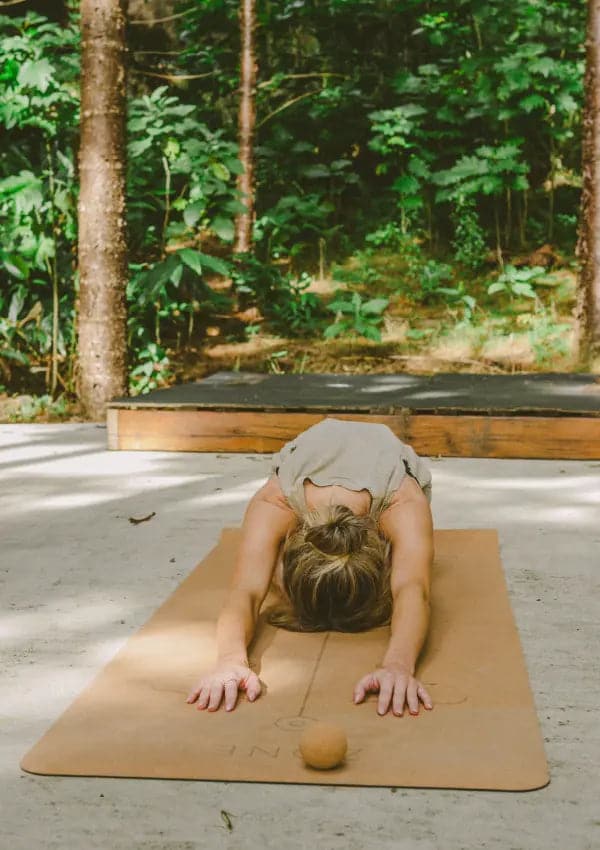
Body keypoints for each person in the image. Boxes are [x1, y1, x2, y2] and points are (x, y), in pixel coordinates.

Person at [187, 417, 434, 717]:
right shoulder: (276, 500)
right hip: (315, 455)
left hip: (382, 462)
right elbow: (247, 591)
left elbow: (412, 588)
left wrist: (398, 665)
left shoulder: (403, 500)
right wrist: (229, 660)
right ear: (288, 548)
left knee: (413, 559)